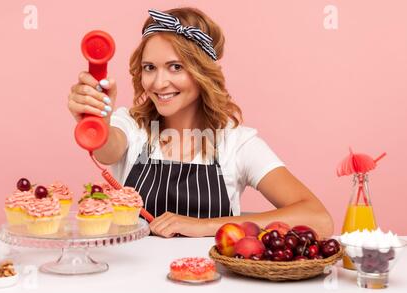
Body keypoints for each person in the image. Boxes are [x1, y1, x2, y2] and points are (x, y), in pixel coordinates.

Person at [67, 7, 334, 238]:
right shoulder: (133, 125)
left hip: (212, 284)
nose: (159, 83)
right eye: (150, 67)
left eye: (176, 67)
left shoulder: (235, 143)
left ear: (202, 72)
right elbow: (107, 149)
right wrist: (98, 120)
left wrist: (203, 226)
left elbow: (318, 219)